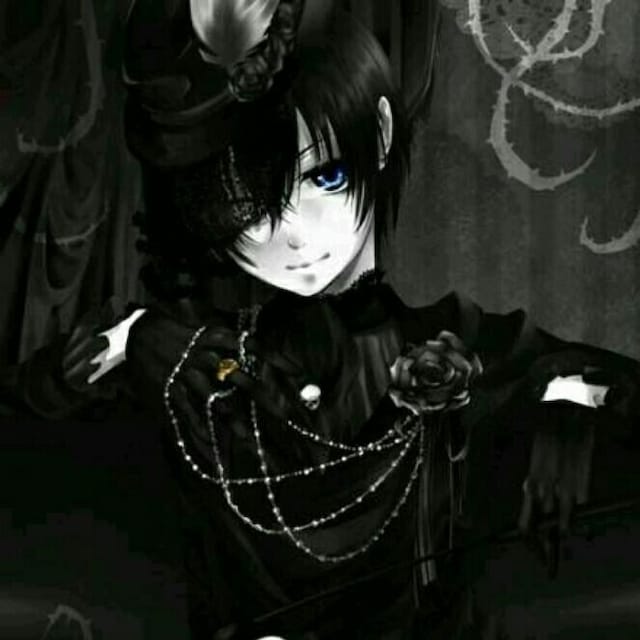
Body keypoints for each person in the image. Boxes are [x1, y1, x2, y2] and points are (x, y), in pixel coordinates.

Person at [8, 0, 640, 638]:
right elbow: (35, 409)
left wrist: (563, 413)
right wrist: (124, 343)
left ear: (381, 134)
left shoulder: (447, 344)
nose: (295, 234)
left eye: (326, 176)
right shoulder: (193, 359)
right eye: (250, 208)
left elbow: (588, 384)